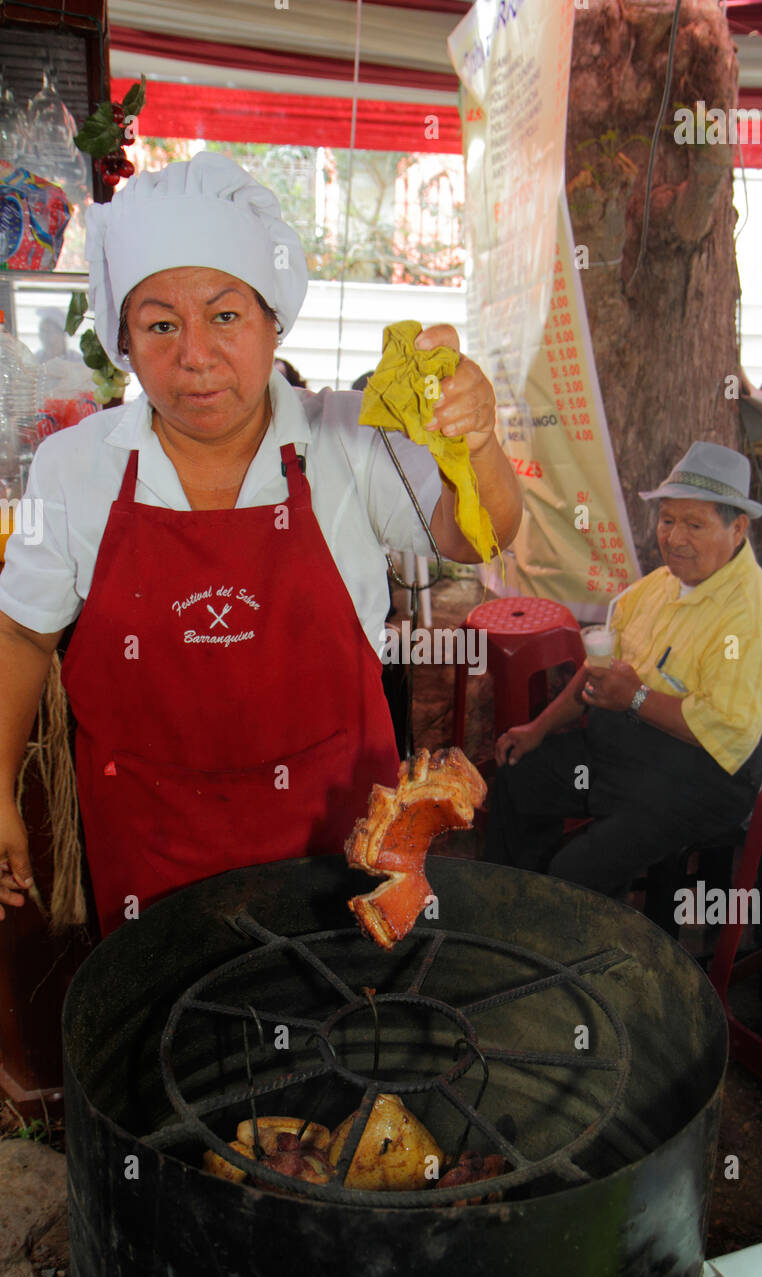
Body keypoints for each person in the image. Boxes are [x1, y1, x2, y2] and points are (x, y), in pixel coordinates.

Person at [0, 152, 522, 935]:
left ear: (273, 317)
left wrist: (477, 442)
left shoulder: (348, 436)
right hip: (152, 857)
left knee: (343, 1042)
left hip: (341, 852)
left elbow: (479, 534)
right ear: (124, 340)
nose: (195, 357)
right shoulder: (74, 467)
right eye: (161, 325)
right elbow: (20, 632)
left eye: (225, 315)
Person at [484, 442, 762, 899]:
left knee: (577, 872)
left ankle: (591, 952)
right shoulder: (660, 585)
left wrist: (633, 697)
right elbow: (601, 667)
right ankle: (514, 910)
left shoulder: (749, 624)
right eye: (667, 520)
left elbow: (722, 729)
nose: (674, 538)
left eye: (694, 524)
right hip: (627, 749)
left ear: (737, 529)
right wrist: (536, 729)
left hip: (704, 778)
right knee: (520, 774)